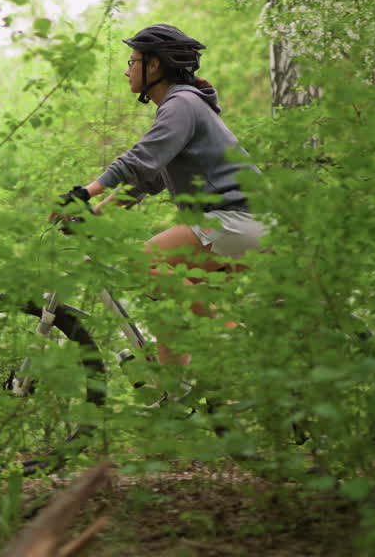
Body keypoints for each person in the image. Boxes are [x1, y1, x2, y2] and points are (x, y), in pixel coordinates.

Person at [59, 23, 268, 370]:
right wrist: (98, 215)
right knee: (169, 311)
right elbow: (146, 179)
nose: (128, 70)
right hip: (244, 225)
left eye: (132, 61)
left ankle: (241, 349)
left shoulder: (181, 104)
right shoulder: (184, 106)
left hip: (238, 218)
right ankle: (172, 398)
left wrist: (85, 192)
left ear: (153, 65)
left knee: (143, 262)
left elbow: (139, 159)